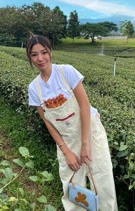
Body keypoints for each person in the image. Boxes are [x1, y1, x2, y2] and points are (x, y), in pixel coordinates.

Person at [26, 34, 118, 210]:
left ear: (50, 52)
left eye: (44, 52)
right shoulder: (34, 88)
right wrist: (66, 151)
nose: (40, 58)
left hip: (90, 132)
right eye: (34, 54)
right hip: (66, 139)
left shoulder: (66, 71)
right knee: (73, 187)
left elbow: (85, 106)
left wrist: (85, 145)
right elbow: (48, 122)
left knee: (102, 180)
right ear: (29, 57)